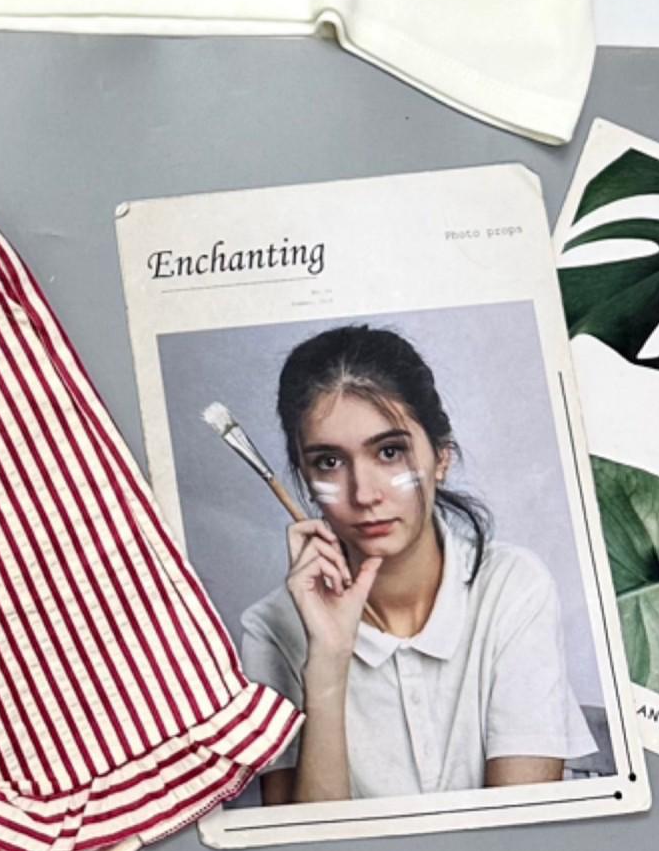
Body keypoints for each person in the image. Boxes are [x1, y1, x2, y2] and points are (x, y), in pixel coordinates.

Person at [239, 325, 596, 804]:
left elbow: (527, 830)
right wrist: (327, 662)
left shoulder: (512, 587)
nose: (364, 494)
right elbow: (303, 848)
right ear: (303, 478)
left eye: (389, 452)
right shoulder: (272, 628)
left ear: (441, 457)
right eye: (329, 462)